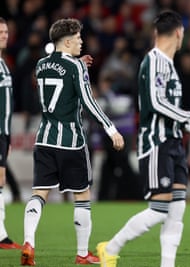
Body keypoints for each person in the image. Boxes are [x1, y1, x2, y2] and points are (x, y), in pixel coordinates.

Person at [96, 10, 190, 267]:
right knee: (159, 210)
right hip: (156, 145)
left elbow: (167, 108)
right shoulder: (153, 61)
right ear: (178, 33)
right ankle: (110, 247)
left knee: (178, 209)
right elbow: (155, 102)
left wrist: (186, 127)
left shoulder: (169, 65)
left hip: (174, 144)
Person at [20, 18, 125, 266]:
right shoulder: (76, 68)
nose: (81, 41)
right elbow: (89, 102)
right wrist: (111, 129)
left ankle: (28, 243)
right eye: (78, 38)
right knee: (82, 195)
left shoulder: (41, 64)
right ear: (67, 41)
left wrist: (78, 65)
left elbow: (62, 71)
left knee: (39, 194)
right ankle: (81, 253)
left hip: (44, 137)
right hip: (71, 140)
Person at [0, 16, 21, 250]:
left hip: (2, 133)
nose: (4, 35)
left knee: (1, 179)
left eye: (5, 32)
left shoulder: (3, 63)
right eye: (0, 32)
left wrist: (6, 136)